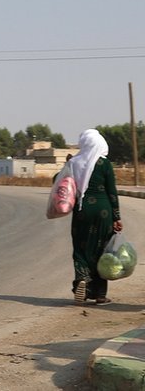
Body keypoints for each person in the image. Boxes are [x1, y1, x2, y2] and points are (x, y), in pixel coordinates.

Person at [69, 129, 122, 305]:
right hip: (103, 211)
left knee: (81, 248)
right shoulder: (104, 164)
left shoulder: (73, 163)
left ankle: (82, 280)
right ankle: (100, 295)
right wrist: (116, 217)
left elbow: (60, 182)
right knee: (102, 250)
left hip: (82, 210)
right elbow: (112, 192)